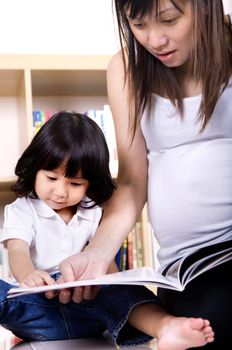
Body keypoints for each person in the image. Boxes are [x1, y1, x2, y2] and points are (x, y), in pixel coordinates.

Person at [57, 1, 232, 350]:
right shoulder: (125, 68)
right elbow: (133, 182)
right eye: (137, 24)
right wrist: (96, 255)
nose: (155, 40)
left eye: (169, 20)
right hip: (189, 266)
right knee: (207, 321)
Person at [0, 111, 168, 347]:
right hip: (36, 309)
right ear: (35, 168)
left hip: (88, 310)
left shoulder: (94, 211)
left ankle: (165, 327)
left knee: (127, 290)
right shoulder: (22, 209)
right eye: (51, 178)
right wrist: (28, 275)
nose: (60, 191)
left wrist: (108, 283)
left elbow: (106, 262)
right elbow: (18, 252)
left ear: (91, 183)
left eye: (75, 183)